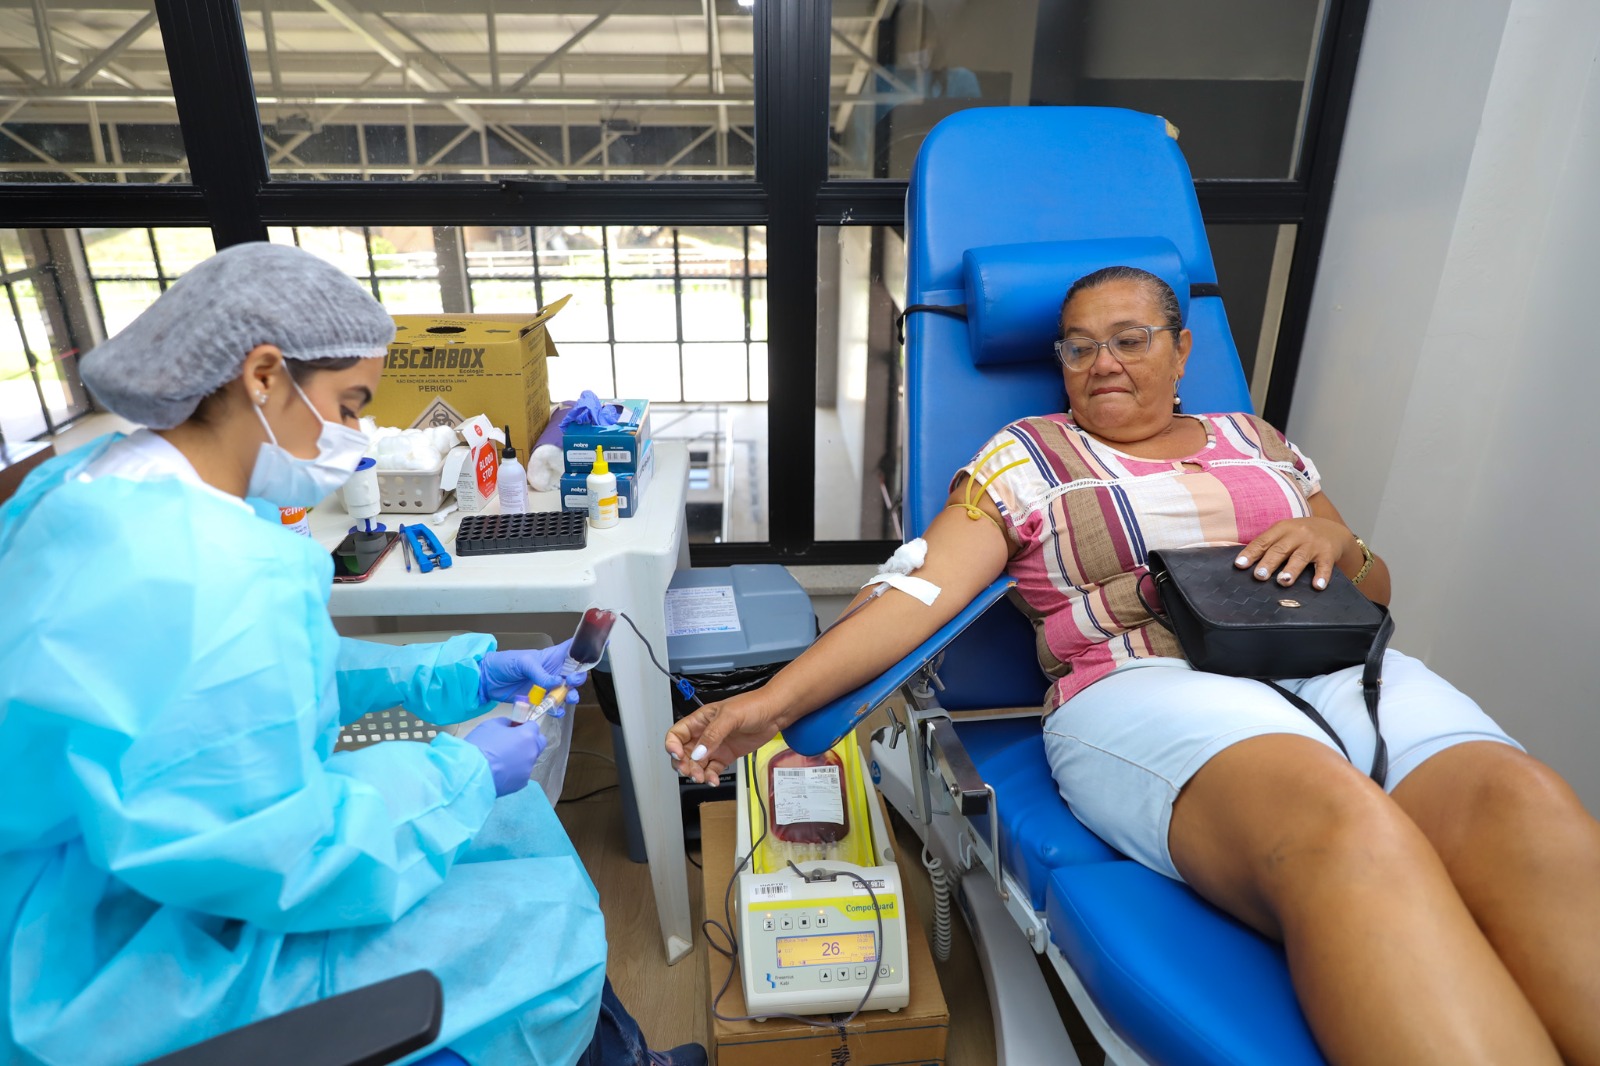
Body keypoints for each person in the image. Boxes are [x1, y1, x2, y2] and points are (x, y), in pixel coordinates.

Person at [666, 265, 1600, 1065]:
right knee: (1349, 827)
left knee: (1527, 803)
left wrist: (1333, 538)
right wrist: (768, 703)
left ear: (1182, 348)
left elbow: (1371, 581)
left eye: (1129, 338)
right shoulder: (1026, 454)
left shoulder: (1261, 442)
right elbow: (922, 596)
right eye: (1078, 347)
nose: (1102, 362)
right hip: (1147, 686)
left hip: (1335, 662)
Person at [0, 242, 702, 1066]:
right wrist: (463, 772)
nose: (360, 438)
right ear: (262, 375)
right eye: (351, 402)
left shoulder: (94, 491)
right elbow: (286, 861)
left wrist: (464, 674)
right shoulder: (208, 568)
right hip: (116, 959)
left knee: (506, 819)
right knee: (542, 923)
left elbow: (277, 678)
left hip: (97, 882)